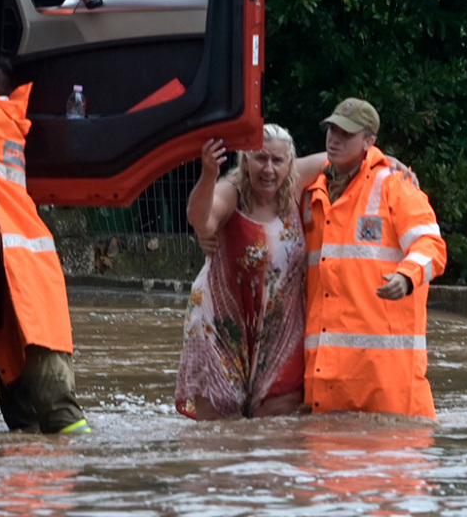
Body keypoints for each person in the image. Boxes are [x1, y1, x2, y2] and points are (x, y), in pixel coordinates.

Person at [302, 97, 447, 420]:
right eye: (331, 130)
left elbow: (431, 246)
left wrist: (406, 276)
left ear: (370, 141)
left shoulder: (396, 186)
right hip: (326, 383)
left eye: (346, 133)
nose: (334, 138)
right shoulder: (313, 193)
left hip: (388, 386)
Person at [0, 56, 90, 434]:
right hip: (23, 264)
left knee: (50, 409)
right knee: (34, 409)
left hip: (15, 260)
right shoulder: (5, 120)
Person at [175, 124, 308, 419]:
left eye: (277, 160)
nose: (269, 169)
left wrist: (390, 163)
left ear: (290, 163)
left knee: (276, 422)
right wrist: (209, 175)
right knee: (222, 429)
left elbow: (342, 155)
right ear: (245, 161)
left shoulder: (295, 187)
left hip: (279, 330)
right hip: (220, 323)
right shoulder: (232, 192)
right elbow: (202, 221)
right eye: (260, 158)